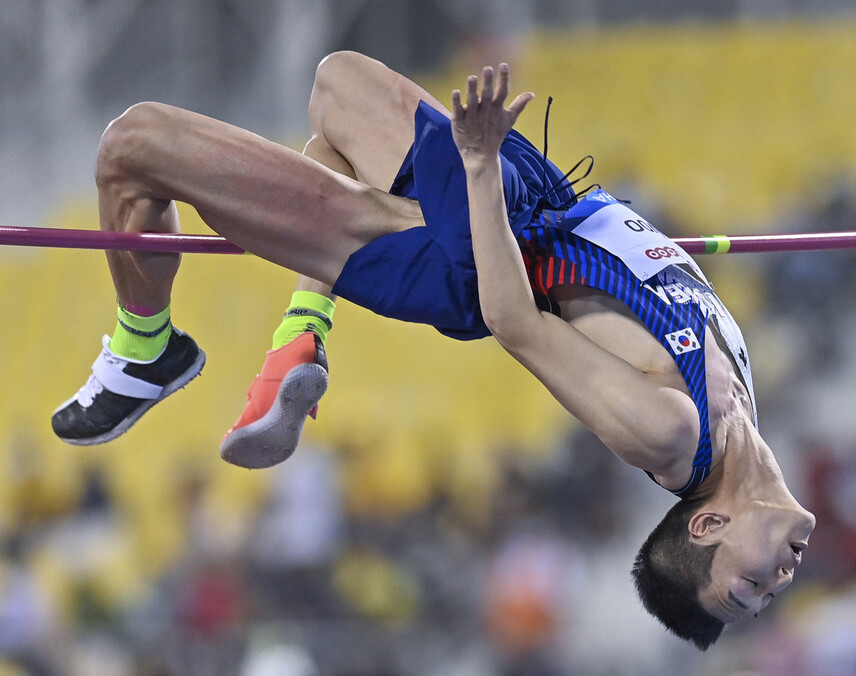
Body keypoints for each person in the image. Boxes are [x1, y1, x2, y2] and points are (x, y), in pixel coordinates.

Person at [50, 51, 815, 649]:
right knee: (335, 88)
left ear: (708, 528)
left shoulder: (673, 435)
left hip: (471, 254)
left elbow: (516, 324)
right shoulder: (742, 400)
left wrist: (478, 167)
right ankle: (301, 331)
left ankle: (146, 349)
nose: (779, 580)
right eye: (764, 592)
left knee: (133, 144)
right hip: (534, 201)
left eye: (750, 587)